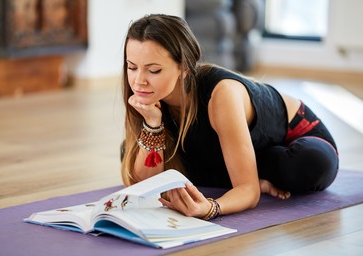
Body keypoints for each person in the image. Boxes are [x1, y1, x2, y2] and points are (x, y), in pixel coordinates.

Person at [120, 14, 339, 220]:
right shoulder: (147, 98)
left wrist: (211, 207)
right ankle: (251, 172)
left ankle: (251, 171)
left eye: (154, 70)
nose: (139, 81)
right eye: (132, 67)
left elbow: (248, 192)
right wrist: (152, 123)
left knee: (309, 163)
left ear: (184, 68)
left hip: (292, 139)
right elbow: (145, 185)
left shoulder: (222, 93)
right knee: (133, 151)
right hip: (227, 149)